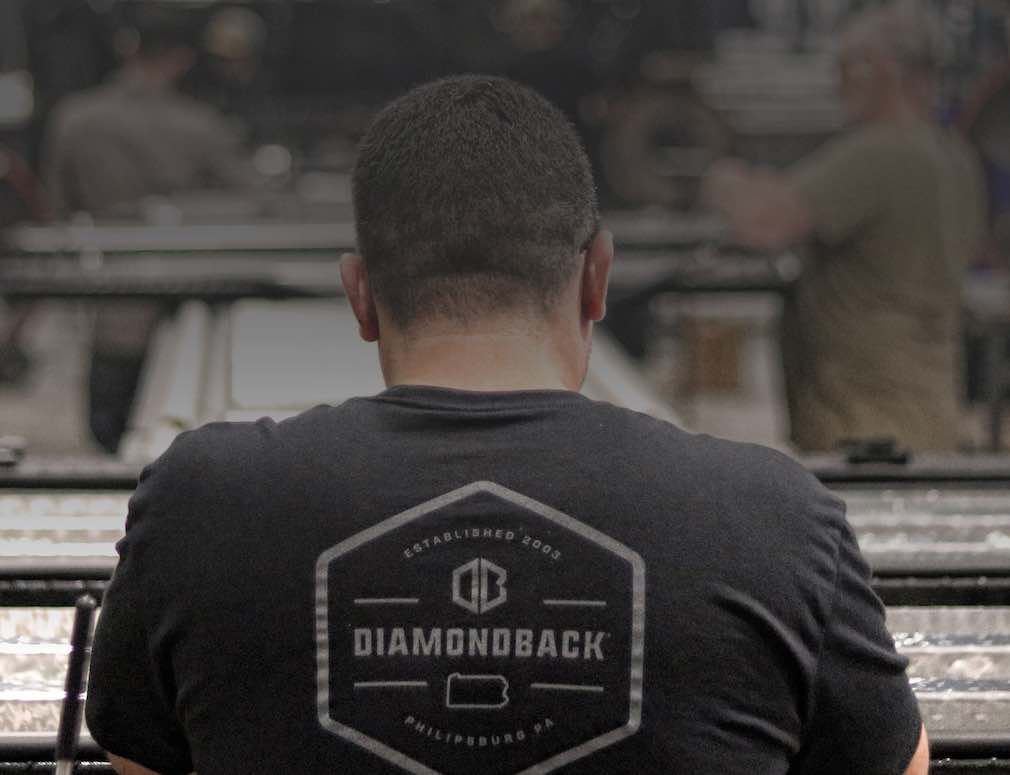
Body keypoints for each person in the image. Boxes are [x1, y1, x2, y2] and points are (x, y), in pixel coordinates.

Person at [87, 76, 929, 775]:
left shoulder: (203, 501)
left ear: (361, 295)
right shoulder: (774, 515)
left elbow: (139, 761)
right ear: (597, 278)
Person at [704, 7, 986, 452]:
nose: (839, 80)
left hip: (867, 427)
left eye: (850, 64)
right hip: (927, 411)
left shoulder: (881, 153)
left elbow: (763, 222)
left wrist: (720, 178)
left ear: (888, 70)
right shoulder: (954, 156)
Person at [42, 9, 257, 452]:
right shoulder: (202, 128)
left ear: (128, 47)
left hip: (111, 305)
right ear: (182, 59)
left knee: (108, 441)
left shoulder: (76, 119)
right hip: (187, 313)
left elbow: (57, 210)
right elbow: (250, 207)